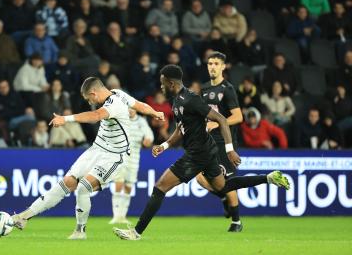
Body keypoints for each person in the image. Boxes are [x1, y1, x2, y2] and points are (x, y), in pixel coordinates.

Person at [113, 65, 289, 240]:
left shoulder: (190, 99)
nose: (161, 87)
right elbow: (181, 130)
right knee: (224, 187)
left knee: (160, 188)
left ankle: (136, 233)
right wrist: (165, 145)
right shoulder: (177, 101)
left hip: (197, 154)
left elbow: (221, 119)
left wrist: (229, 150)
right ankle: (269, 178)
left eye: (162, 83)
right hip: (206, 151)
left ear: (171, 83)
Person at [11, 77, 165, 239]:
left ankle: (80, 231)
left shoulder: (115, 103)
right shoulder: (119, 93)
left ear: (93, 93)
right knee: (67, 182)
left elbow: (96, 115)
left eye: (89, 98)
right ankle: (24, 216)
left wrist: (66, 119)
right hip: (96, 150)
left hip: (115, 156)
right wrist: (155, 112)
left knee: (83, 187)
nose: (90, 101)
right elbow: (140, 105)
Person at [198, 52, 244, 232]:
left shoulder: (228, 89)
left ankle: (236, 221)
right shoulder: (204, 89)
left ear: (223, 67)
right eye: (210, 63)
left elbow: (238, 116)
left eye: (216, 63)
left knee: (227, 181)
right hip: (208, 142)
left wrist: (216, 123)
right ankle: (223, 197)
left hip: (225, 143)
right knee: (199, 177)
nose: (212, 67)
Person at [110, 108, 154, 224]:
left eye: (132, 108)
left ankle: (123, 216)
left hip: (134, 158)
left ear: (136, 109)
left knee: (128, 186)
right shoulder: (120, 120)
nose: (130, 111)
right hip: (120, 157)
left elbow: (149, 135)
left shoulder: (141, 121)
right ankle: (116, 215)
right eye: (127, 108)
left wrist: (148, 140)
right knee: (118, 184)